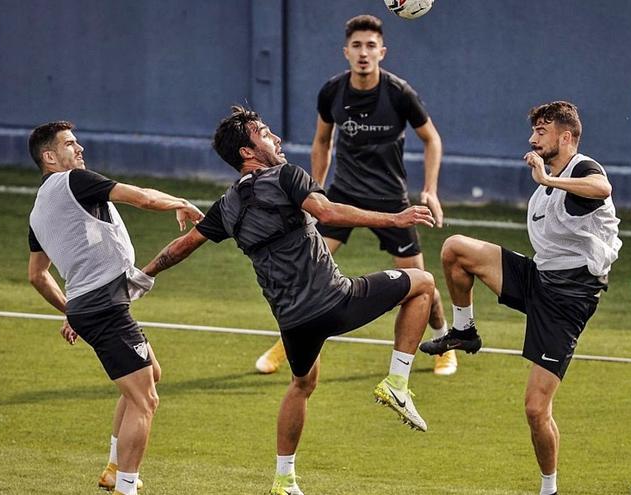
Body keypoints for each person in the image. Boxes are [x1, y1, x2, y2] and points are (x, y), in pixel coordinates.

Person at [141, 106, 437, 495]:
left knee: (302, 383)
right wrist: (395, 219)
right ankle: (398, 381)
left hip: (293, 324)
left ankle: (284, 480)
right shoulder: (287, 175)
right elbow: (327, 211)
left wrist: (140, 277)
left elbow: (180, 248)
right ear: (247, 152)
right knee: (423, 282)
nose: (276, 139)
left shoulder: (226, 206)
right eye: (264, 134)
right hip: (335, 301)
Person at [420, 101, 621, 495]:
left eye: (541, 131)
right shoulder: (548, 179)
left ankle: (549, 488)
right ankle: (464, 331)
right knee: (455, 249)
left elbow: (603, 188)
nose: (532, 138)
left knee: (535, 409)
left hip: (570, 298)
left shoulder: (582, 168)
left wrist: (549, 179)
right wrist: (546, 180)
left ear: (565, 137)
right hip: (539, 278)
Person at [254, 14, 456, 376]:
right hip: (343, 195)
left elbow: (432, 139)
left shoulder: (399, 93)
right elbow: (321, 141)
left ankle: (444, 342)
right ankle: (286, 344)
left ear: (382, 51)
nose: (364, 53)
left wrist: (430, 189)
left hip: (392, 200)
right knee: (304, 271)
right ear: (346, 52)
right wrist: (312, 192)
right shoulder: (332, 91)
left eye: (371, 46)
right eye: (357, 46)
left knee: (420, 281)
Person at [26, 121, 204, 495]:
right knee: (146, 399)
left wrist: (70, 309)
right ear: (49, 156)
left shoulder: (37, 211)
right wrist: (182, 202)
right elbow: (142, 197)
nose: (79, 149)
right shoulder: (74, 181)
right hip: (104, 308)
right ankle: (126, 487)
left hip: (92, 305)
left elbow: (37, 275)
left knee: (149, 375)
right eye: (70, 144)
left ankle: (113, 468)